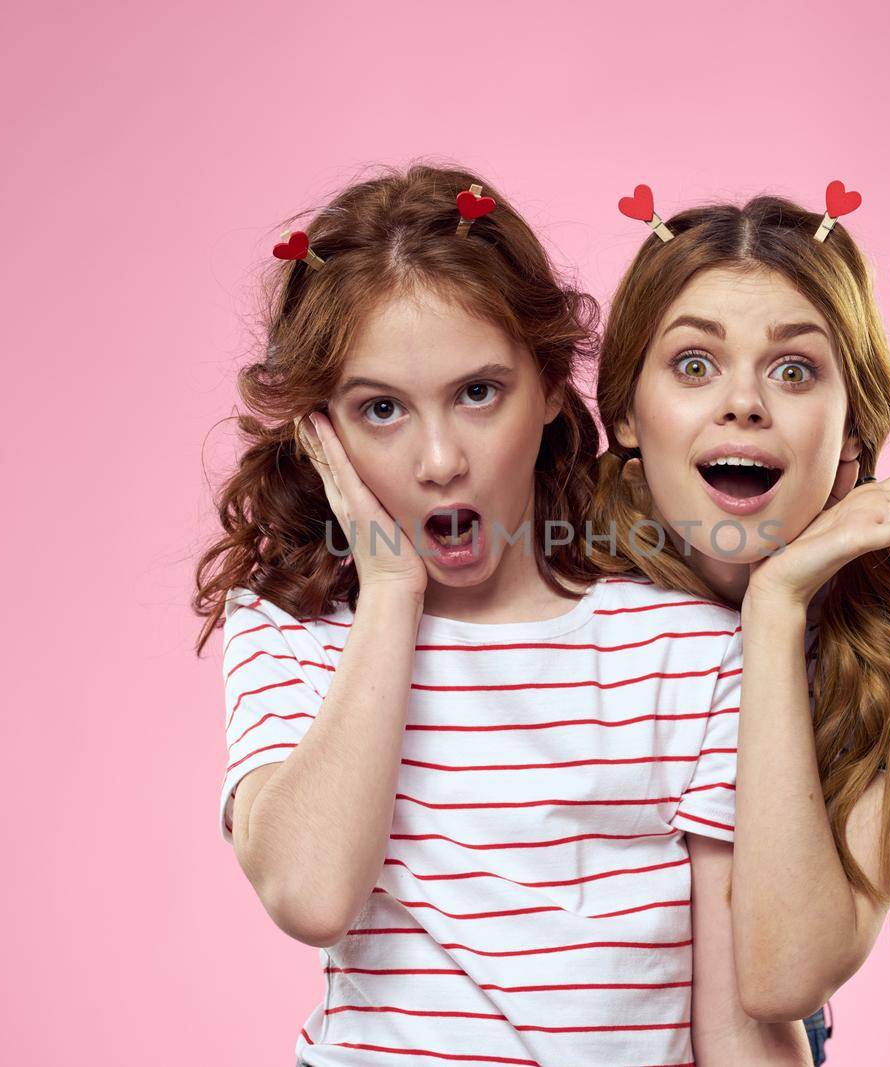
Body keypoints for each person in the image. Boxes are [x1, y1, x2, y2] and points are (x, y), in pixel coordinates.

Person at [193, 165, 809, 1066]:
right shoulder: (294, 633)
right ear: (319, 429)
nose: (440, 460)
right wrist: (393, 596)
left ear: (552, 387)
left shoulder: (687, 648)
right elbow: (310, 893)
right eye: (380, 410)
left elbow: (737, 1026)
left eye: (478, 393)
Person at [590, 193, 890, 1063]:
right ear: (628, 413)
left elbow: (786, 977)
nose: (745, 402)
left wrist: (777, 608)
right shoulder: (556, 574)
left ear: (854, 425)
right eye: (693, 364)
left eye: (794, 370)